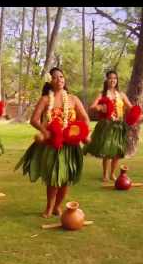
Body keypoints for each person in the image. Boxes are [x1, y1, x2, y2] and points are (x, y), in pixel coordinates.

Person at [15, 67, 91, 218]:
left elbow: (85, 118)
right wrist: (45, 132)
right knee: (53, 179)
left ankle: (58, 206)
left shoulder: (73, 99)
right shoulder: (45, 99)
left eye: (61, 77)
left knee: (65, 179)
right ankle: (49, 207)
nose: (59, 80)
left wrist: (83, 133)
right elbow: (34, 120)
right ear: (50, 81)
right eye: (55, 77)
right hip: (52, 144)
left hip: (70, 144)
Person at [83, 70, 134, 182]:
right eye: (110, 78)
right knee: (107, 151)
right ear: (106, 80)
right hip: (107, 125)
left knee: (117, 151)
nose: (113, 80)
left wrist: (138, 114)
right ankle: (105, 174)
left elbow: (130, 107)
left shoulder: (121, 95)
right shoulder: (102, 95)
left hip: (119, 126)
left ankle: (112, 174)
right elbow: (92, 107)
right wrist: (100, 107)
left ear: (117, 80)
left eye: (115, 78)